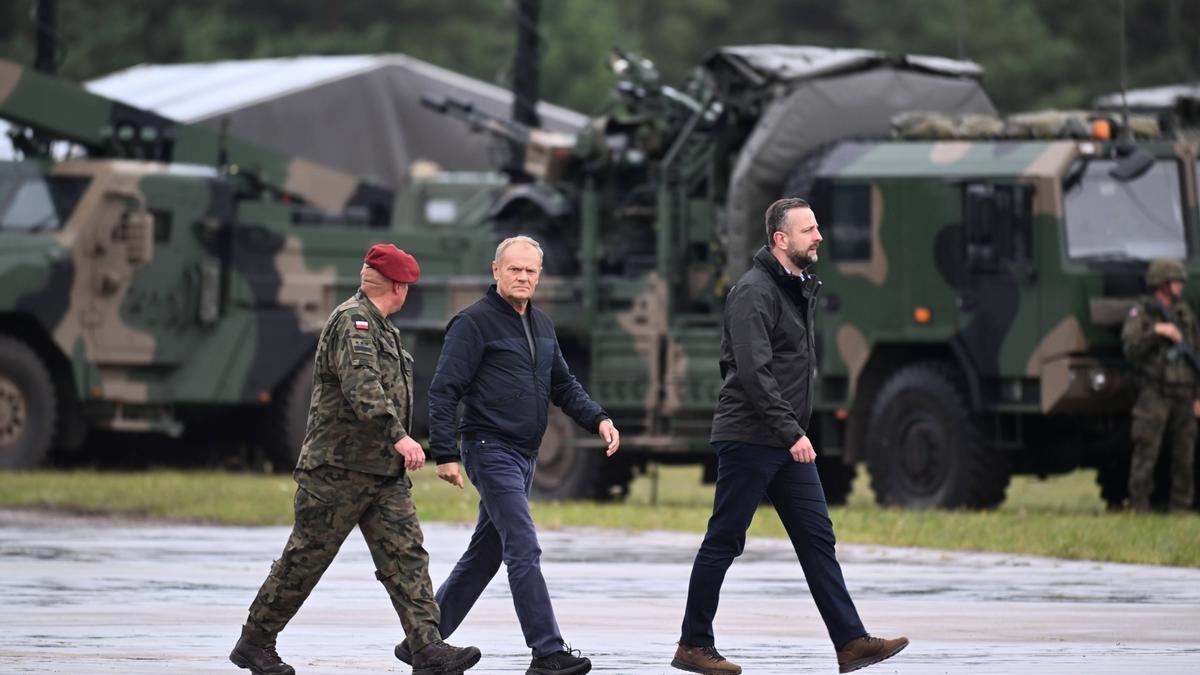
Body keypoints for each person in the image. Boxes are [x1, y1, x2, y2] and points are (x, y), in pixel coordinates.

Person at [671, 198, 908, 675]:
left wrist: (790, 432)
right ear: (781, 239)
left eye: (817, 227)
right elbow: (753, 373)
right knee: (725, 540)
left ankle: (850, 642)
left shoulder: (797, 287)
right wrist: (789, 431)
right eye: (808, 229)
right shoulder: (753, 292)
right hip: (750, 437)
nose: (818, 236)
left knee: (818, 538)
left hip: (783, 439)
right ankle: (693, 645)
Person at [230, 244, 480, 675]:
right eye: (408, 286)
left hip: (382, 474)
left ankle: (428, 648)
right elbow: (362, 386)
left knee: (407, 557)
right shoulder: (353, 321)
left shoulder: (383, 328)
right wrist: (399, 436)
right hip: (338, 470)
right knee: (306, 560)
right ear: (398, 287)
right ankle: (255, 642)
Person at [394, 235, 620, 675]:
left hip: (524, 455)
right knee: (523, 546)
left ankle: (421, 642)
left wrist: (598, 419)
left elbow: (564, 385)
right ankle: (547, 653)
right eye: (514, 269)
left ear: (539, 276)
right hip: (488, 449)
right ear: (495, 271)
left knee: (487, 553)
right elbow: (443, 390)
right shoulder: (473, 323)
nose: (522, 277)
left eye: (530, 271)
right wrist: (445, 453)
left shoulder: (542, 325)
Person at [1121, 257, 1198, 512]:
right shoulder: (1143, 313)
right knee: (1146, 451)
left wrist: (1197, 395)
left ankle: (1181, 507)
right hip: (1155, 391)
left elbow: (1195, 353)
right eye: (1175, 282)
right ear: (1162, 284)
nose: (1180, 287)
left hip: (1184, 392)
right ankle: (1140, 506)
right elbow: (1131, 348)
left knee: (1184, 454)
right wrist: (1157, 332)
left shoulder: (1185, 314)